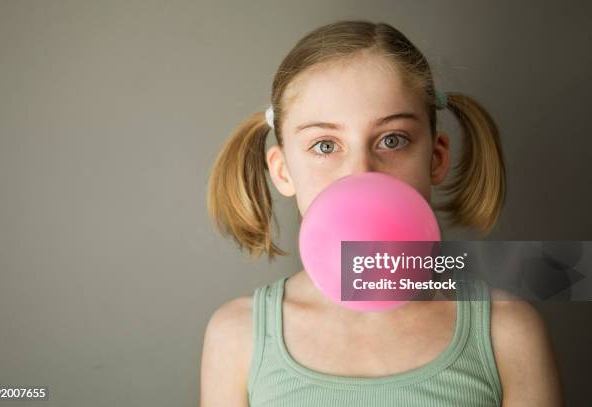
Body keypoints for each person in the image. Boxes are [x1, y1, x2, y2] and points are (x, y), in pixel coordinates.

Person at [200, 20, 563, 406]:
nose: (361, 173)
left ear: (436, 159)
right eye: (325, 146)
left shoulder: (506, 331)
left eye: (392, 140)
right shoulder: (238, 336)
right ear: (283, 170)